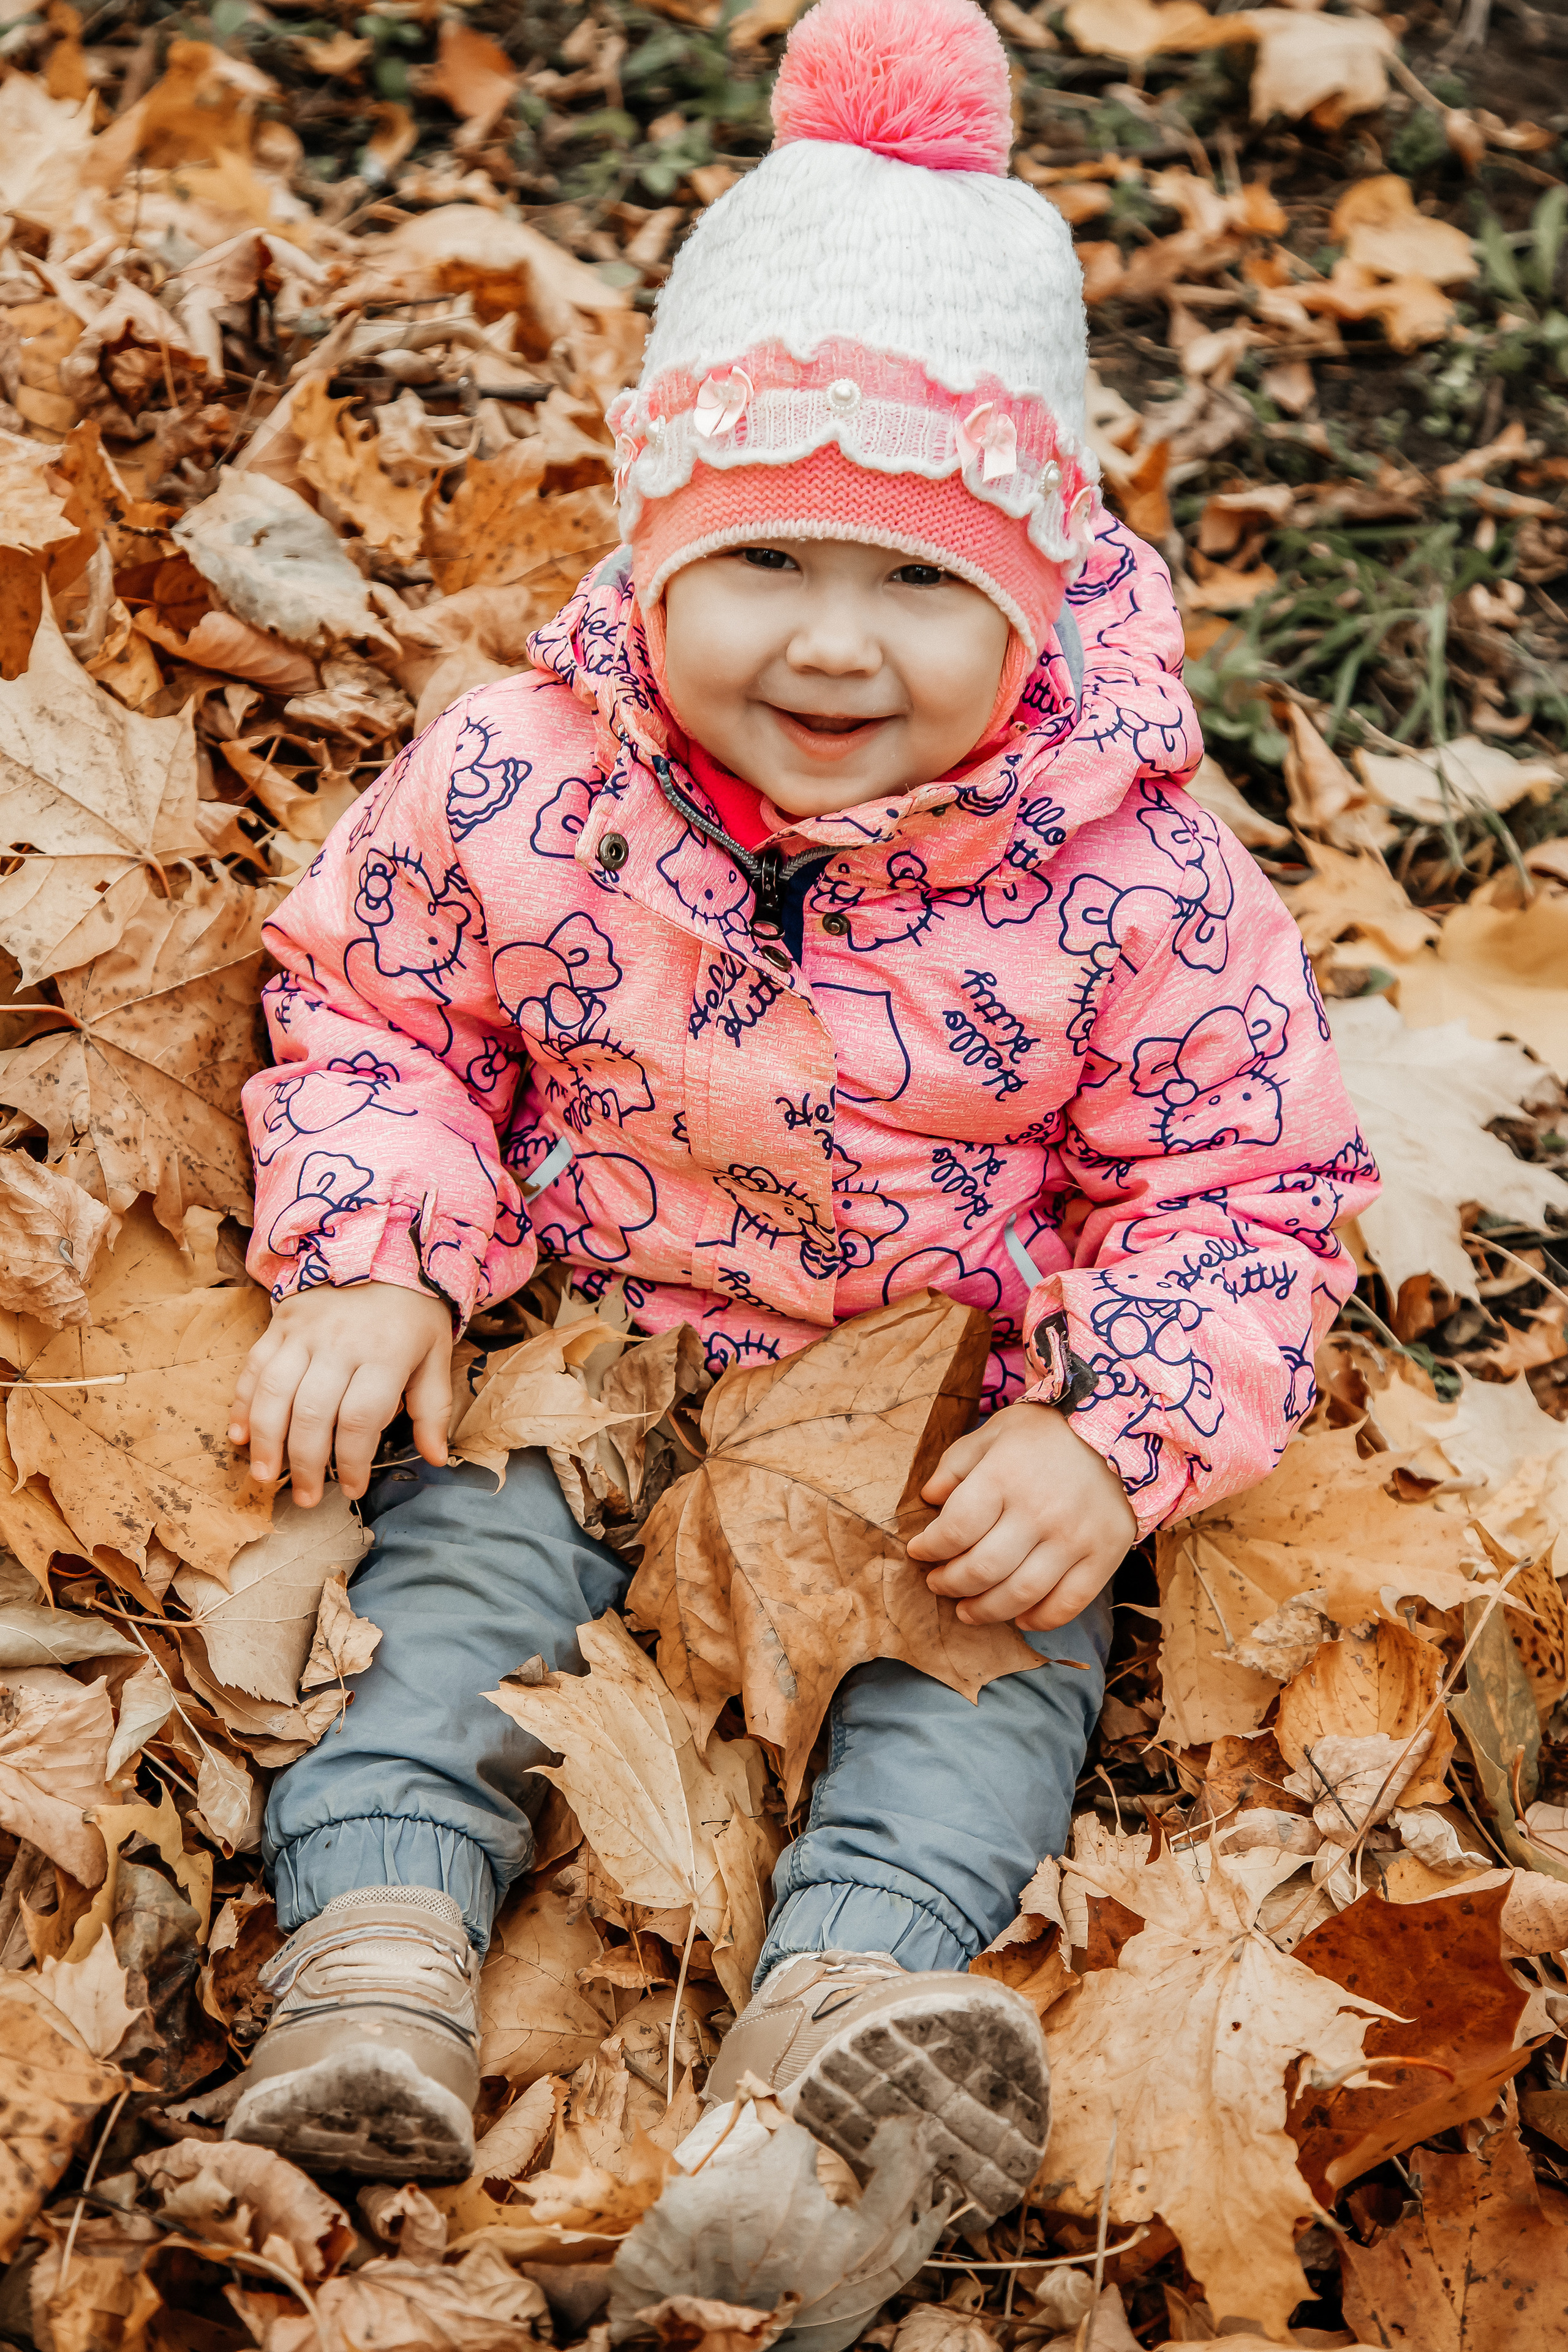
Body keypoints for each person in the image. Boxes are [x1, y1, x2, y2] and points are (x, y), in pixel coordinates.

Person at [223, 0, 1377, 2200]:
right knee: (449, 1604)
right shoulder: (524, 780)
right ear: (654, 542)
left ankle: (849, 2029)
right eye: (764, 560)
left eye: (921, 581)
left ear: (1036, 596)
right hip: (589, 1344)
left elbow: (1239, 1188)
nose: (834, 647)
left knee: (977, 1675)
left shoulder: (1139, 878)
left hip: (931, 1418)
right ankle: (373, 1956)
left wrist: (1103, 1431)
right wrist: (379, 1255)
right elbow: (378, 1010)